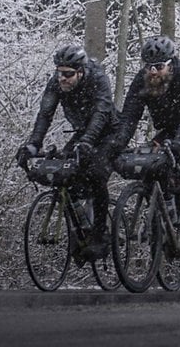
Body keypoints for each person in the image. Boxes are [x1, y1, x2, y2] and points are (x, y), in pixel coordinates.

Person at [114, 35, 180, 266]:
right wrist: (117, 145)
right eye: (149, 67)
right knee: (152, 166)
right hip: (170, 130)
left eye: (159, 67)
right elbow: (129, 117)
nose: (153, 72)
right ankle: (169, 210)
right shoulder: (142, 81)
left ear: (171, 64)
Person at [16, 43, 116, 259]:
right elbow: (45, 114)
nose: (62, 79)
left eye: (68, 74)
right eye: (59, 73)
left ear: (81, 71)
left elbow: (100, 113)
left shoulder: (98, 79)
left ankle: (100, 234)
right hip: (83, 132)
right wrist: (33, 144)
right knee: (65, 175)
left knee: (97, 174)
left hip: (108, 133)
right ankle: (81, 228)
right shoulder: (56, 83)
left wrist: (88, 142)